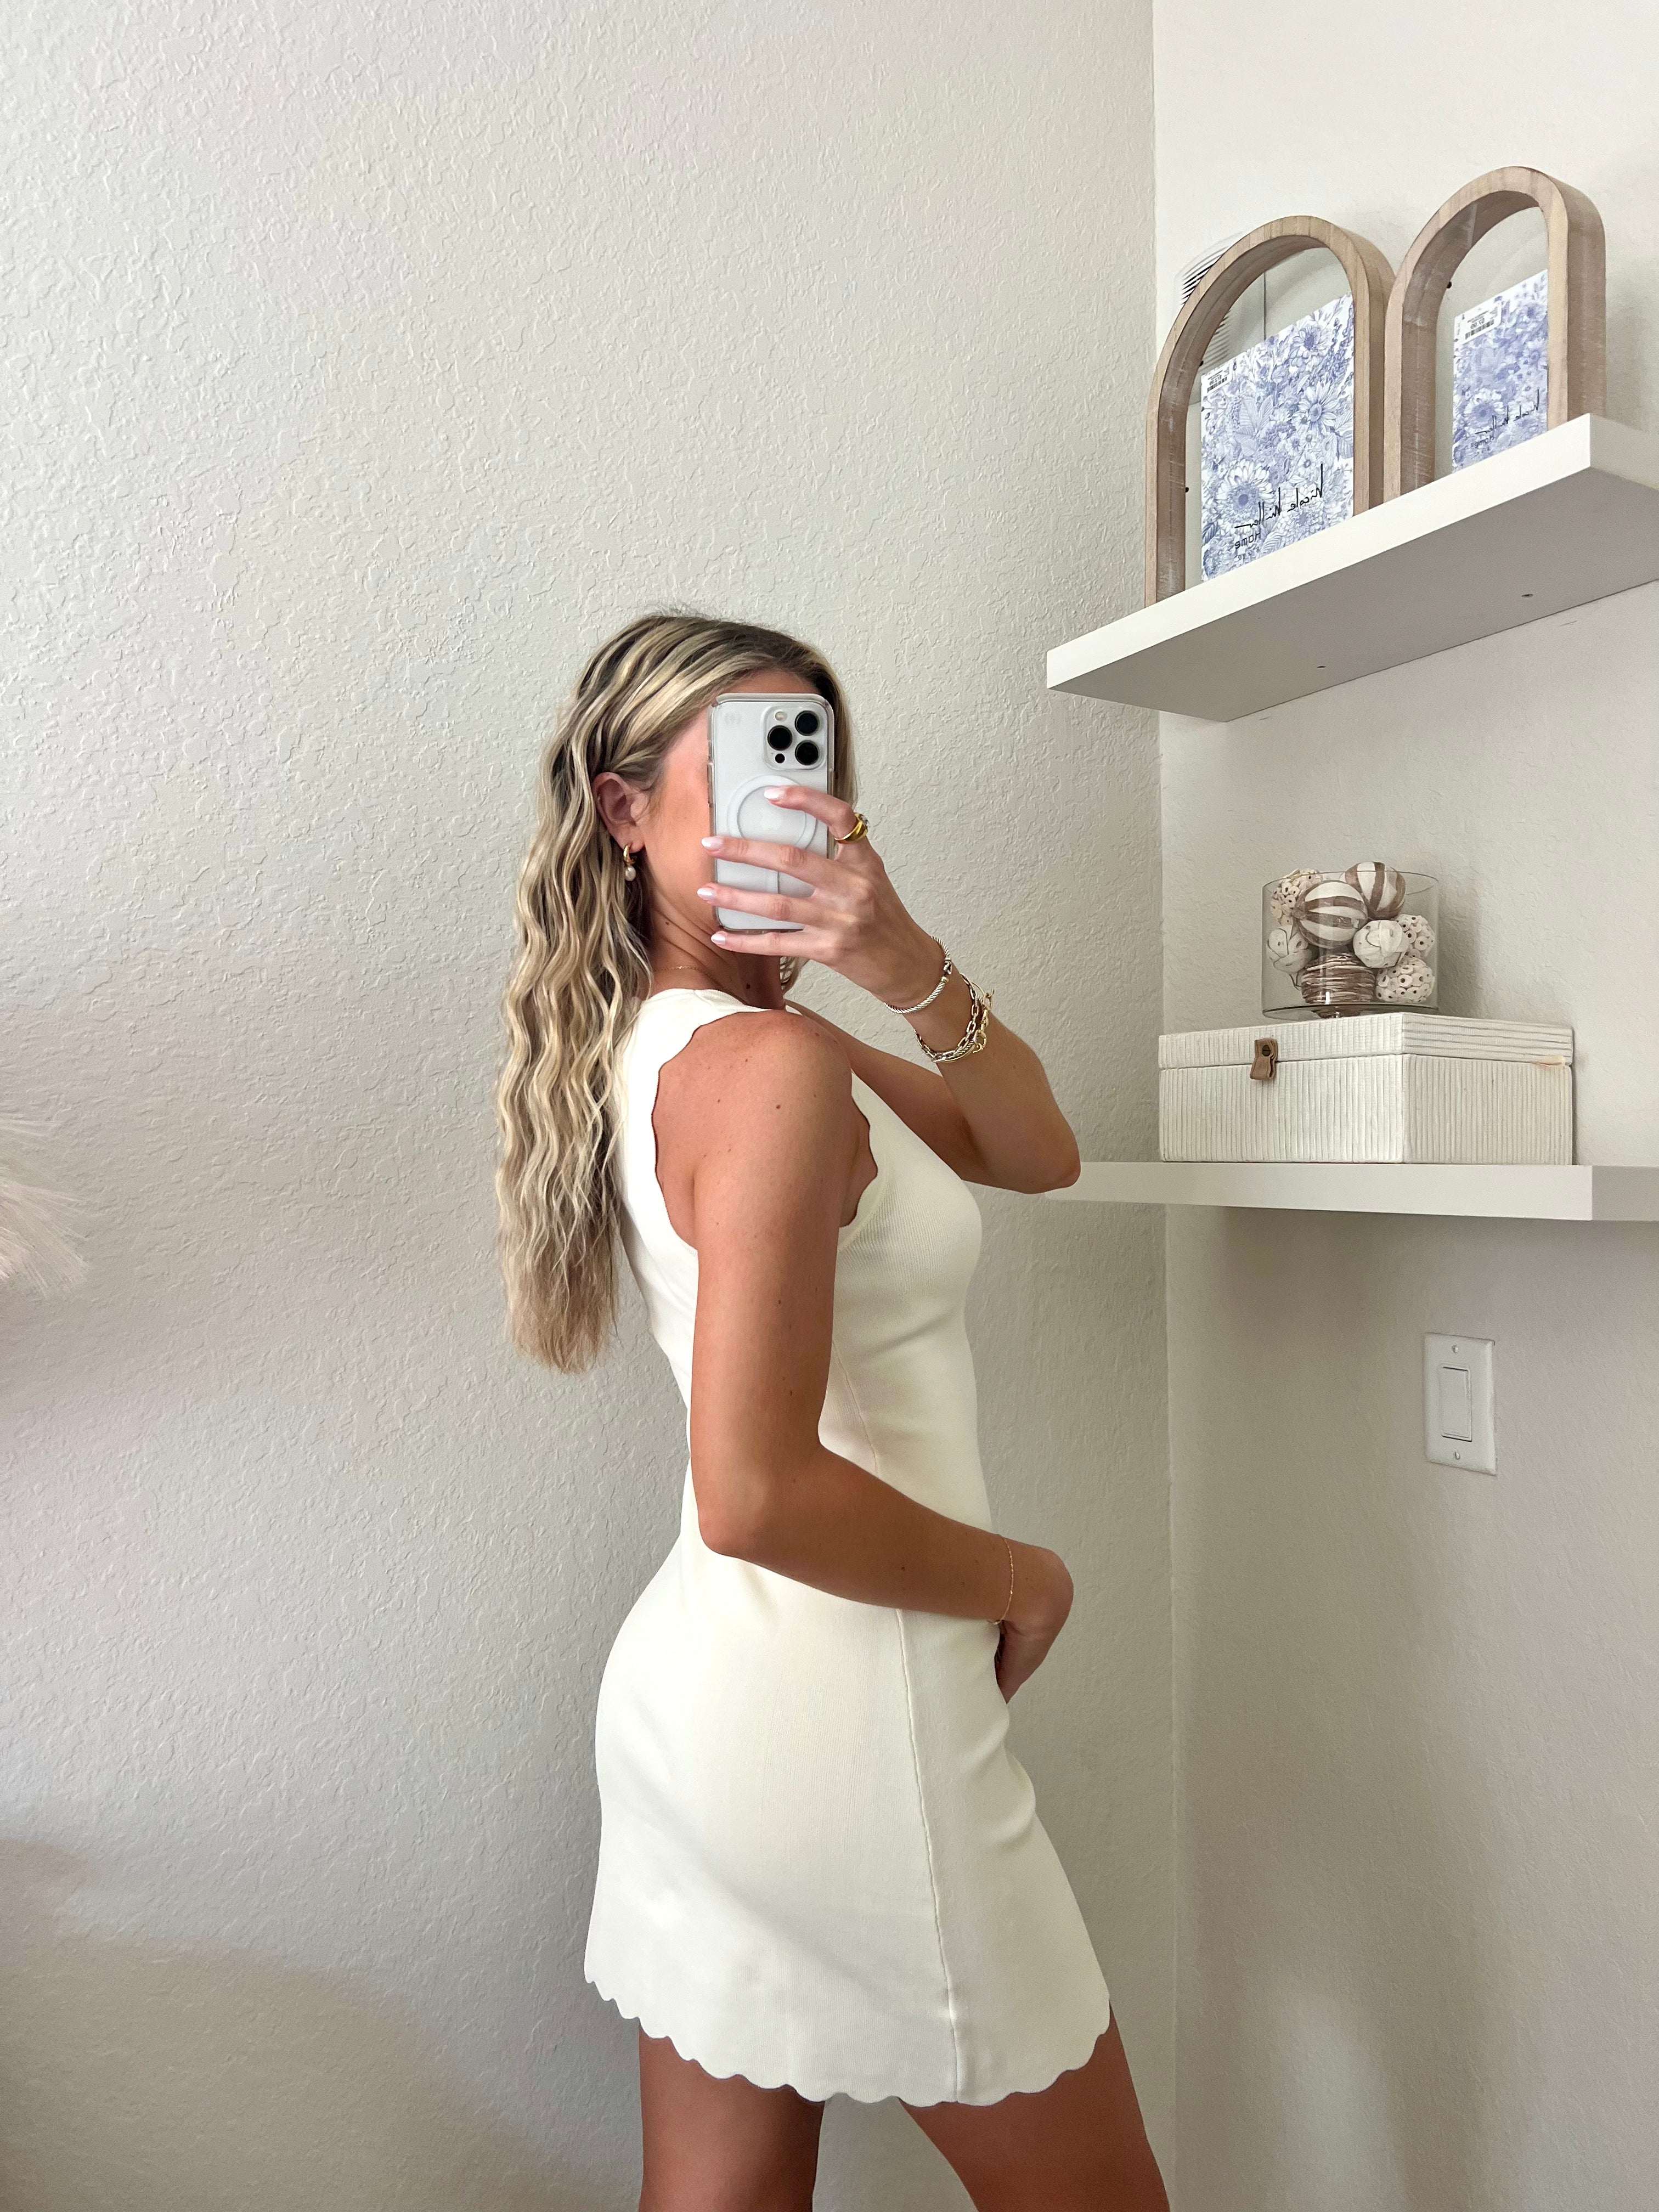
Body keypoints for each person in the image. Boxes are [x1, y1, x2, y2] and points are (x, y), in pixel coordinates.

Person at [495, 612, 1167, 2211]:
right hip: (854, 1716)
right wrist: (1027, 1578)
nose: (784, 807)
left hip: (721, 1718)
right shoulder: (769, 1072)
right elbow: (756, 1491)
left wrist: (897, 954)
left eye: (809, 766)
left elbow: (1035, 1146)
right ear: (623, 811)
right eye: (731, 769)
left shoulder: (717, 1048)